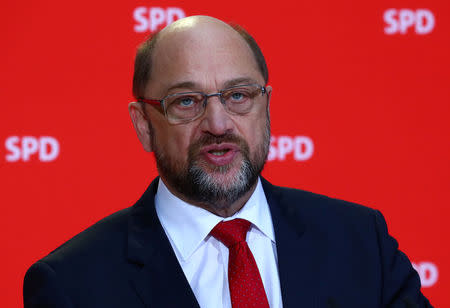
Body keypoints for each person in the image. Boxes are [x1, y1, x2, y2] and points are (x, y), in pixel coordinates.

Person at [23, 15, 432, 308]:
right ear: (144, 124)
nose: (217, 124)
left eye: (238, 95)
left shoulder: (361, 241)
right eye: (187, 101)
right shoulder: (72, 284)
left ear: (265, 105)